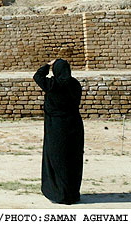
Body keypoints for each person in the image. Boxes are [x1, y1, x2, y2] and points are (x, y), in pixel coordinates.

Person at [33, 58, 84, 204]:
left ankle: (58, 193)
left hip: (56, 127)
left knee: (57, 160)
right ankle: (72, 193)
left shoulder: (52, 85)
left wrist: (47, 65)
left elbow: (37, 77)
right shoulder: (75, 85)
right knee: (72, 161)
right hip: (74, 126)